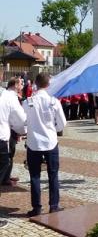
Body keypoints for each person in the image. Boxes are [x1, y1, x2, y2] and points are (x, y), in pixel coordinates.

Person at [23, 72, 67, 216]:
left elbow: (23, 122)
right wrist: (53, 129)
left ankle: (37, 207)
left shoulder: (27, 101)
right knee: (53, 174)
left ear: (35, 83)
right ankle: (54, 205)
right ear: (48, 84)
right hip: (50, 142)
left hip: (33, 143)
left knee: (34, 175)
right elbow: (62, 124)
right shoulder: (54, 101)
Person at [2, 77, 25, 186]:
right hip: (8, 130)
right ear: (15, 84)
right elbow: (17, 117)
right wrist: (22, 130)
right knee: (7, 156)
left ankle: (6, 176)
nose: (22, 86)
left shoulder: (9, 95)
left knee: (9, 156)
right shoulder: (9, 96)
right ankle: (5, 178)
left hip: (10, 130)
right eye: (21, 83)